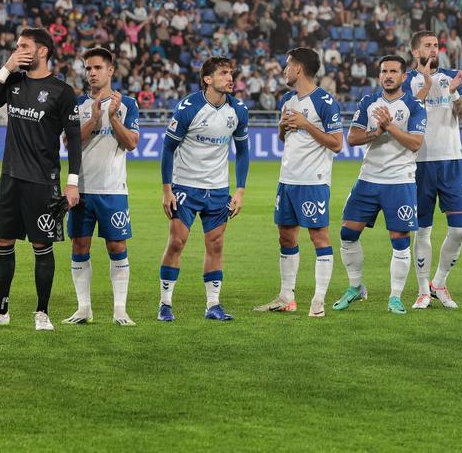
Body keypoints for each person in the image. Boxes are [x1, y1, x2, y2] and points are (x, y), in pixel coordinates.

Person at [0, 28, 81, 331]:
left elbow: (73, 139)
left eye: (24, 46)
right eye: (17, 46)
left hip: (42, 182)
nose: (18, 50)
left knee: (41, 245)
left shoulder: (62, 92)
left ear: (42, 51)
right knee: (1, 241)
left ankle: (41, 313)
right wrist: (7, 67)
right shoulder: (14, 82)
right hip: (10, 177)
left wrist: (72, 183)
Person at [332, 55, 427, 315]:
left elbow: (415, 143)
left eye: (393, 71)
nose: (388, 75)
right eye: (384, 71)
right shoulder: (368, 102)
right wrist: (377, 132)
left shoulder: (414, 105)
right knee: (347, 234)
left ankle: (395, 297)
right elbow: (352, 138)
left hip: (400, 181)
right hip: (368, 178)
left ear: (403, 77)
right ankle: (355, 287)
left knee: (399, 240)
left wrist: (389, 126)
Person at [157, 57, 250, 322]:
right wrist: (167, 190)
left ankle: (213, 305)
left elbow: (242, 152)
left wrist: (240, 191)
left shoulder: (238, 110)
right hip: (186, 185)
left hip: (219, 189)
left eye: (231, 73)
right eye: (223, 73)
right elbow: (167, 148)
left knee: (216, 244)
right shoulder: (189, 107)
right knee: (176, 242)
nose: (230, 78)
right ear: (208, 79)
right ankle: (165, 304)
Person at [255, 47, 343, 318]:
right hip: (288, 180)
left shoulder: (325, 102)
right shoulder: (288, 100)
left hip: (313, 181)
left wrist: (306, 124)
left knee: (318, 236)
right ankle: (286, 297)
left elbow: (338, 144)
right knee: (286, 235)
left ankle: (318, 300)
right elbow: (285, 138)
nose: (284, 69)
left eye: (287, 64)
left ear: (299, 69)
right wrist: (283, 127)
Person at [62, 48, 140, 326]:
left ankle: (120, 309)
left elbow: (131, 143)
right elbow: (68, 143)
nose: (91, 73)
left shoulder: (127, 103)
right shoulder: (78, 104)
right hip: (82, 189)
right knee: (79, 245)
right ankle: (84, 309)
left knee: (117, 247)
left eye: (97, 68)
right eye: (87, 68)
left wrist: (113, 116)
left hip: (113, 190)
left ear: (110, 71)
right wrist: (94, 120)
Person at [403, 30, 462, 310]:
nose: (434, 50)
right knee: (422, 231)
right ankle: (422, 290)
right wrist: (428, 86)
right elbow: (404, 114)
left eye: (436, 45)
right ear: (415, 52)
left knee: (460, 230)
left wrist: (455, 92)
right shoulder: (406, 80)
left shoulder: (451, 77)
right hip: (419, 163)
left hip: (452, 162)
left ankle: (439, 282)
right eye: (427, 46)